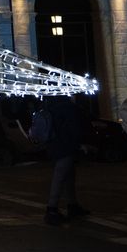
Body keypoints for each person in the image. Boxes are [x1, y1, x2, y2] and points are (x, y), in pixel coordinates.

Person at [38, 94, 89, 225]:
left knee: (67, 175)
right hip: (66, 146)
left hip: (54, 145)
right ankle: (52, 209)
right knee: (61, 176)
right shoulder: (69, 107)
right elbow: (75, 128)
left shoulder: (49, 105)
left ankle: (72, 204)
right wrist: (81, 143)